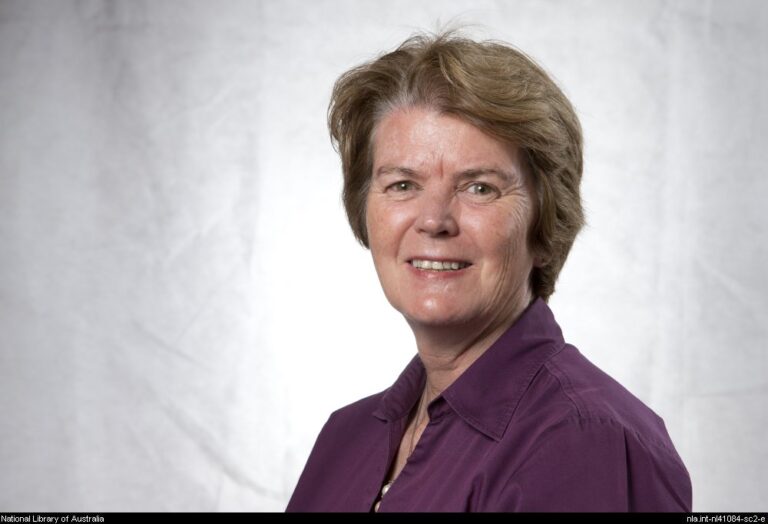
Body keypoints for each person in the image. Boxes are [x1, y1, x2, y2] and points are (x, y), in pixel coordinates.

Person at [285, 31, 692, 512]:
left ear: (544, 226)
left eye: (479, 188)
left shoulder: (583, 440)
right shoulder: (347, 438)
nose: (434, 220)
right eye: (402, 184)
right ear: (365, 213)